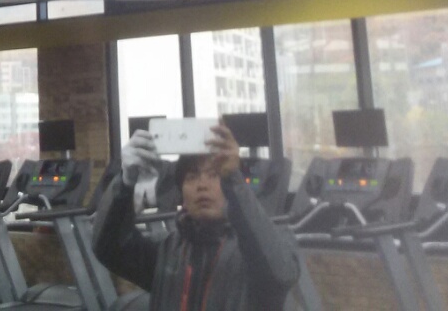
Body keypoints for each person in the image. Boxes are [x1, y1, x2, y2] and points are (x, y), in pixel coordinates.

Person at [93, 123, 300, 310]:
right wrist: (126, 181)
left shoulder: (268, 247)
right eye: (192, 177)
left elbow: (280, 275)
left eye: (215, 175)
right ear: (181, 192)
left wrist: (234, 180)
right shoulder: (168, 253)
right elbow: (109, 247)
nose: (202, 185)